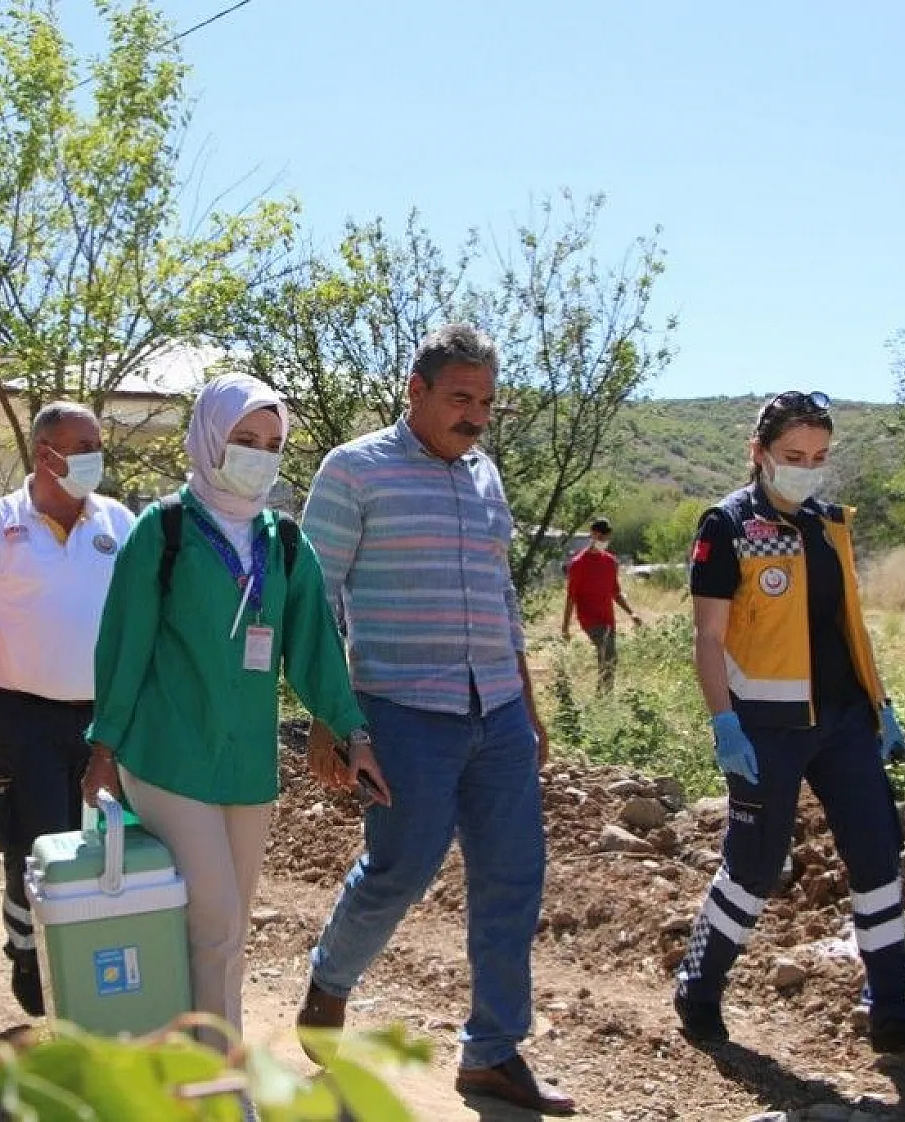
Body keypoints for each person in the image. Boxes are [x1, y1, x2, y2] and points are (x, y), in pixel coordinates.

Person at [298, 324, 575, 1116]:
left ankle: (492, 1053)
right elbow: (313, 599)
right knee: (401, 868)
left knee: (513, 877)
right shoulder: (354, 470)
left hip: (496, 710)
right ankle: (329, 984)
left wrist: (527, 702)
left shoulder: (484, 474)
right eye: (460, 398)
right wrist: (329, 718)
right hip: (401, 710)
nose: (475, 416)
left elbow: (502, 598)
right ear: (415, 392)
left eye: (486, 402)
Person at [81, 373, 373, 1047]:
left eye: (272, 444)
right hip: (168, 756)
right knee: (213, 920)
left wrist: (350, 728)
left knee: (228, 928)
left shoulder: (284, 542)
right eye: (244, 439)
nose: (259, 455)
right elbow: (123, 648)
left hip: (245, 765)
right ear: (211, 439)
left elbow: (314, 649)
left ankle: (182, 1067)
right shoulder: (166, 531)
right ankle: (221, 1084)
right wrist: (102, 750)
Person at [672, 390, 905, 1057]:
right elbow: (708, 640)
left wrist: (880, 705)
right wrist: (725, 724)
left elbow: (848, 625)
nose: (807, 468)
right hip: (765, 731)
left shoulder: (830, 522)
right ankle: (699, 986)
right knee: (754, 866)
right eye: (793, 456)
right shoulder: (727, 525)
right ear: (760, 454)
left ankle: (892, 1012)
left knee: (877, 857)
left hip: (843, 721)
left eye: (819, 457)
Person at [0, 401, 137, 1019]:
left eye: (96, 444)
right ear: (43, 454)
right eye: (78, 446)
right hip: (22, 716)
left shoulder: (120, 522)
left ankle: (91, 959)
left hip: (104, 719)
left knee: (103, 843)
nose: (91, 458)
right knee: (33, 844)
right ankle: (28, 950)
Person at [560, 516, 640, 689]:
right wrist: (565, 627)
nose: (605, 541)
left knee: (607, 660)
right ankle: (604, 700)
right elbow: (571, 597)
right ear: (594, 535)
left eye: (607, 538)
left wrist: (631, 613)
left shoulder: (610, 562)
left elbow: (616, 593)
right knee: (609, 656)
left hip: (608, 619)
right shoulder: (578, 564)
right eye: (602, 537)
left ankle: (603, 699)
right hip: (590, 619)